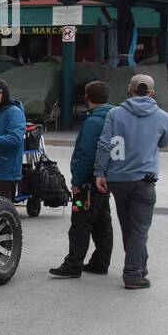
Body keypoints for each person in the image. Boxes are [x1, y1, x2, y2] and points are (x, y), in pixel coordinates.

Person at [93, 73, 168, 289]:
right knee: (140, 229)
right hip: (144, 181)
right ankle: (134, 273)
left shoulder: (115, 114)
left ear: (129, 90)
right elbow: (164, 141)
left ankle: (139, 266)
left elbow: (104, 144)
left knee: (129, 227)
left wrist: (100, 172)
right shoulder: (163, 116)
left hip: (117, 180)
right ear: (152, 92)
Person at [49, 81, 114, 278]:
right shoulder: (113, 118)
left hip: (86, 182)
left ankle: (73, 264)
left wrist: (76, 181)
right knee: (102, 221)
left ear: (87, 97)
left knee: (80, 222)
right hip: (105, 179)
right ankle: (100, 262)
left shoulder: (93, 122)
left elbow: (85, 155)